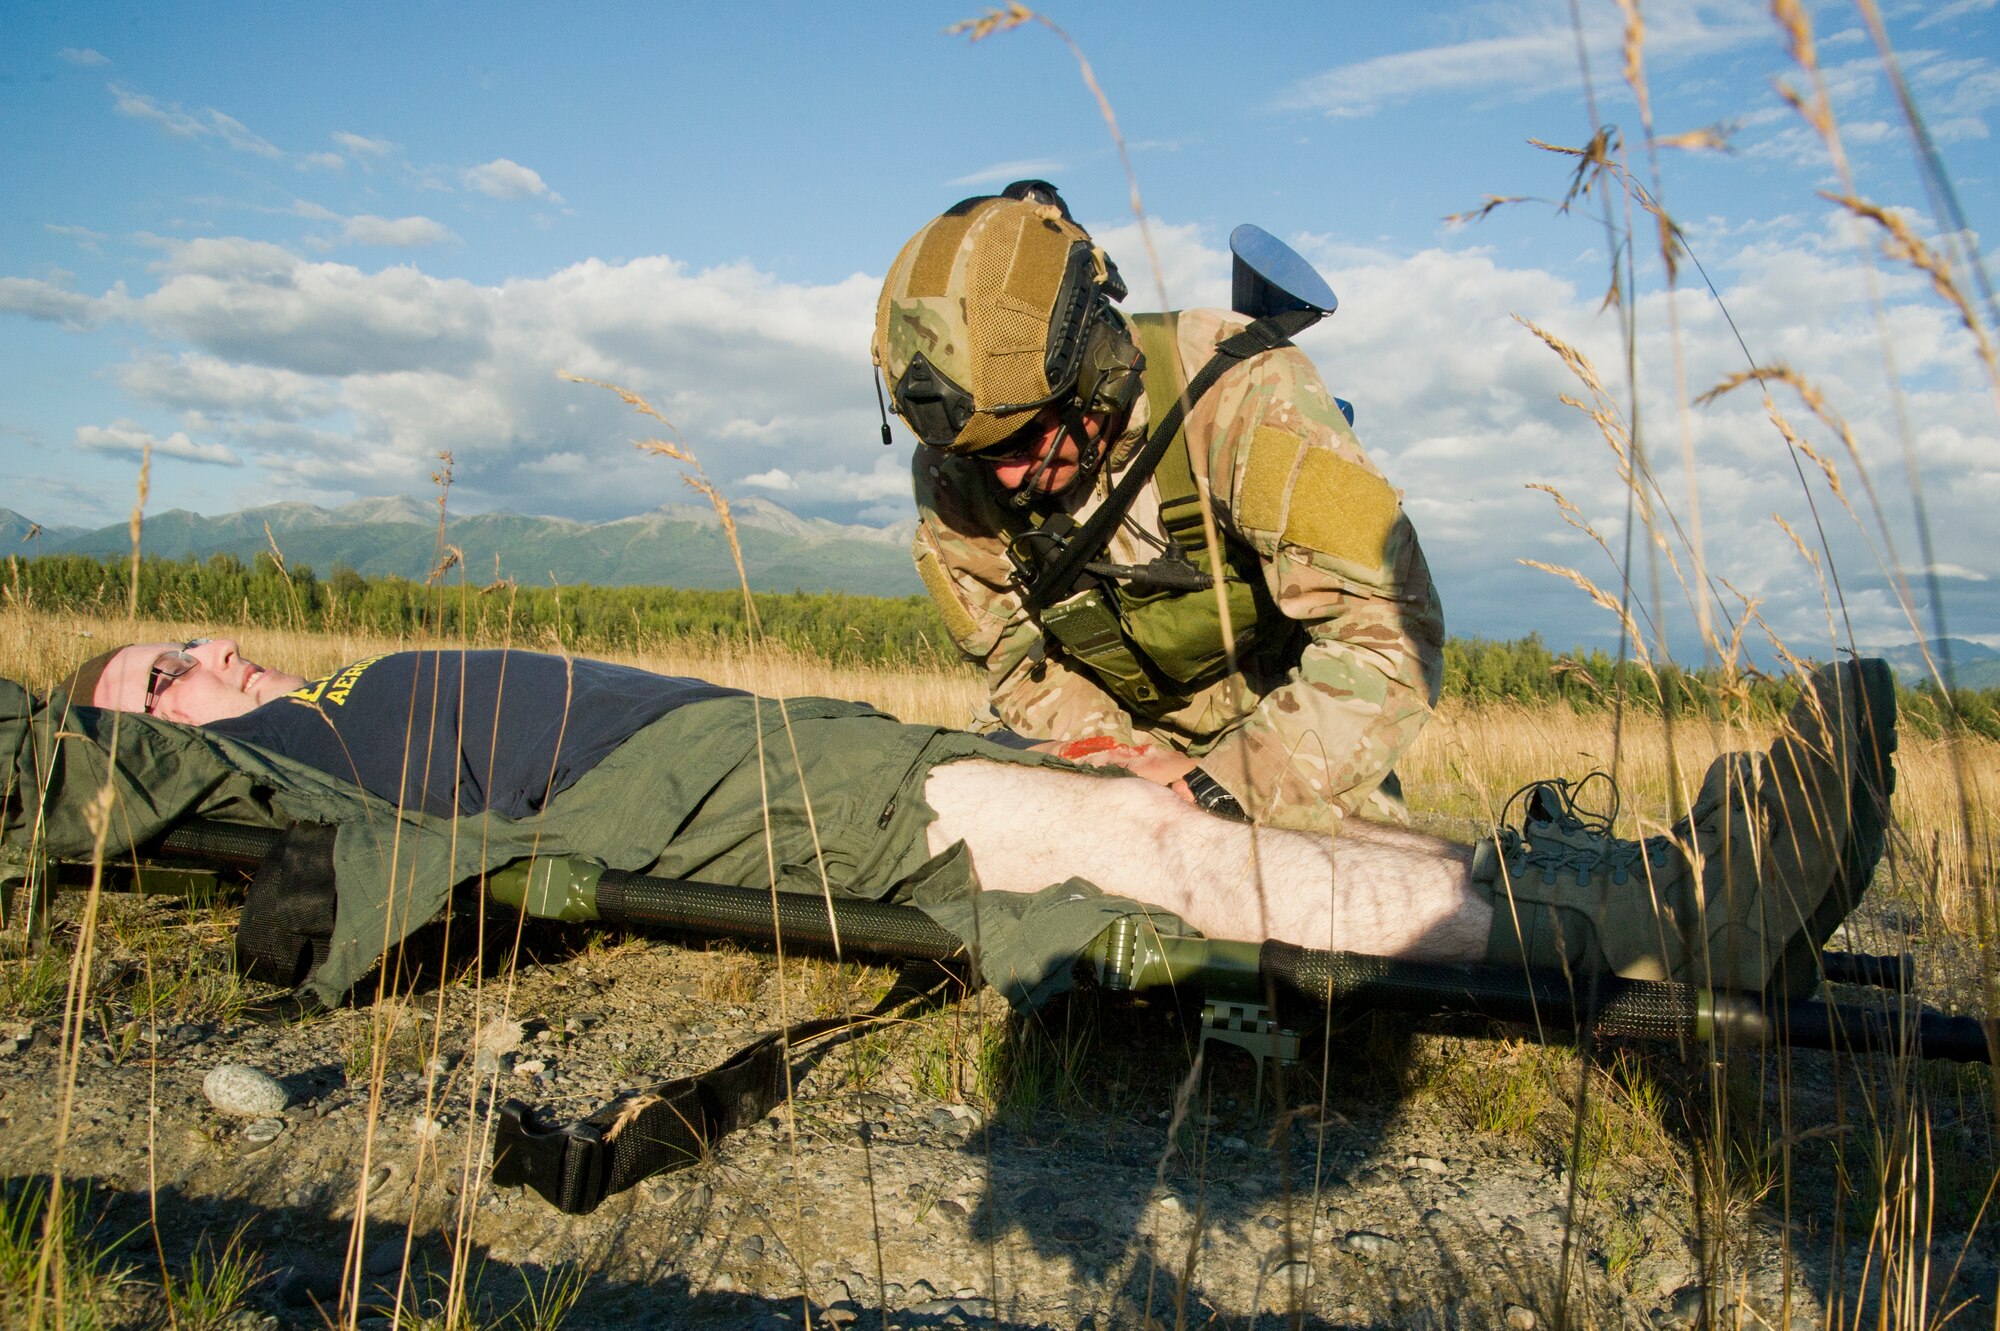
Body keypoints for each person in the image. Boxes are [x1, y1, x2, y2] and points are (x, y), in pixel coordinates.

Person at [56, 638, 1898, 1000]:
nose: (204, 655)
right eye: (160, 671)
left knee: (1162, 795)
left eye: (195, 639)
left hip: (789, 739)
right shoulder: (297, 770)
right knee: (1146, 854)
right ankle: (1665, 928)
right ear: (146, 741)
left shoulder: (363, 681)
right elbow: (77, 778)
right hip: (700, 806)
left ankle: (1628, 877)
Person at [872, 181, 1445, 834]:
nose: (1005, 475)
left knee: (1359, 911)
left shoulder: (1238, 394)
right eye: (982, 454)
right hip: (1119, 756)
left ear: (1098, 367)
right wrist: (1112, 765)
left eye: (1027, 437)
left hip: (1294, 744)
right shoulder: (956, 469)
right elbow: (1015, 658)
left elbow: (1392, 635)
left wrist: (1222, 789)